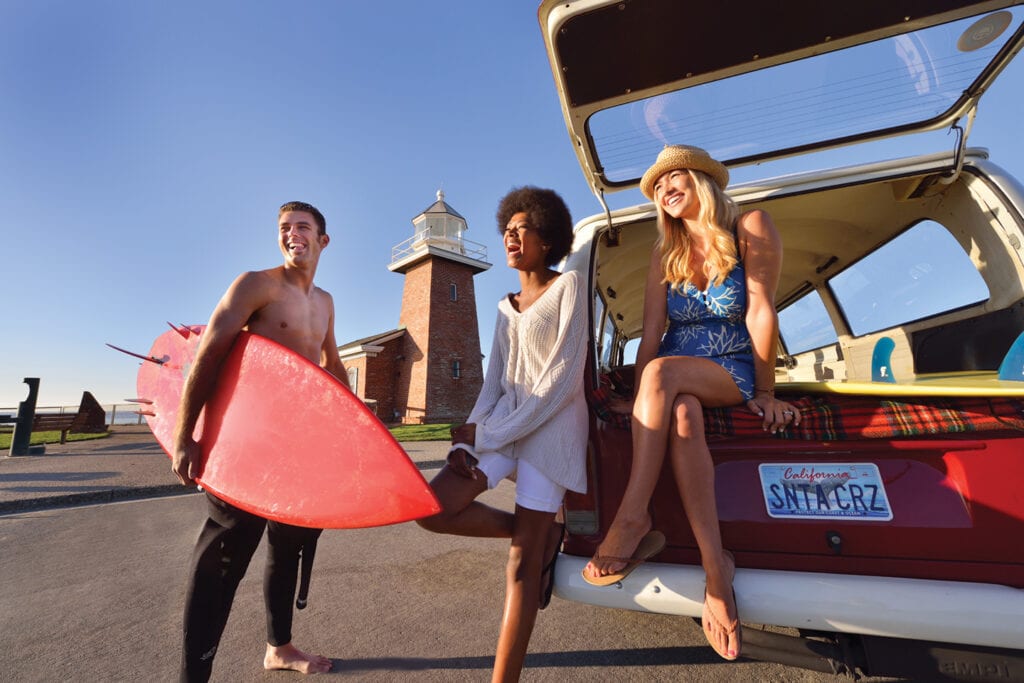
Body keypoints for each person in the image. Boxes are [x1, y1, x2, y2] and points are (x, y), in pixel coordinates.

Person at [581, 145, 801, 661]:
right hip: (675, 379)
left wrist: (767, 392)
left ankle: (632, 517)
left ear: (701, 178)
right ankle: (715, 571)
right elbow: (653, 332)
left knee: (661, 374)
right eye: (657, 188)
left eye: (672, 177)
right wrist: (638, 400)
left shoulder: (752, 226)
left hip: (730, 369)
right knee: (678, 410)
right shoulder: (666, 254)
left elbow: (760, 312)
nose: (663, 191)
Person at [416, 187, 588, 683]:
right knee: (433, 509)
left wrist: (491, 435)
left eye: (522, 228)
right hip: (503, 431)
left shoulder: (569, 287)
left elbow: (560, 382)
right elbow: (493, 384)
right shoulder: (502, 306)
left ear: (547, 235)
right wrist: (468, 442)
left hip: (551, 434)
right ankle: (539, 533)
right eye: (506, 230)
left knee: (519, 571)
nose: (511, 237)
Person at [172, 201, 346, 681]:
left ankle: (280, 648)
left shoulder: (325, 301)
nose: (293, 234)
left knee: (288, 545)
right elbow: (208, 353)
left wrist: (353, 436)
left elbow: (332, 368)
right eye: (284, 228)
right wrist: (185, 434)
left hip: (298, 445)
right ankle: (193, 674)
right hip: (248, 442)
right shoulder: (256, 285)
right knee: (224, 556)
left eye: (303, 227)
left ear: (323, 241)